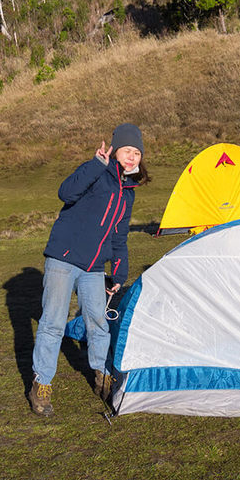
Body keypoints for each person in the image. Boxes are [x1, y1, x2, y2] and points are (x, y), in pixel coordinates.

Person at [29, 123, 150, 417]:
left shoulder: (128, 192)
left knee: (98, 323)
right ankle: (41, 384)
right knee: (53, 323)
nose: (132, 157)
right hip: (63, 258)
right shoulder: (98, 173)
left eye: (137, 152)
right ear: (115, 150)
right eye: (126, 150)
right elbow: (66, 192)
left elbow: (119, 237)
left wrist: (119, 274)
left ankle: (103, 377)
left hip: (94, 267)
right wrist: (96, 165)